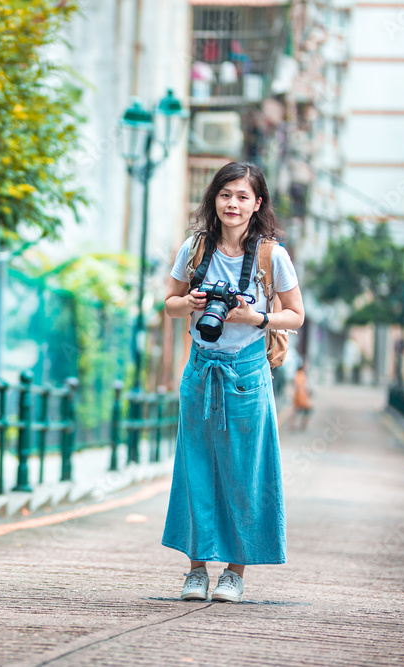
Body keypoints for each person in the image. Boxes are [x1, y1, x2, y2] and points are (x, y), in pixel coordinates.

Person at [162, 161, 305, 603]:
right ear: (214, 198)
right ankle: (196, 570)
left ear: (257, 204)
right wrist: (190, 301)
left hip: (247, 372)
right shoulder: (195, 248)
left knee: (244, 472)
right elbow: (167, 304)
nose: (233, 203)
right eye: (226, 194)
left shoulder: (271, 255)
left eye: (243, 196)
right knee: (197, 470)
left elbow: (296, 315)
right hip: (200, 368)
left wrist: (255, 316)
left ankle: (234, 573)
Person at [290, 361, 313, 431]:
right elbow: (299, 386)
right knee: (305, 411)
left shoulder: (298, 374)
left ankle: (296, 425)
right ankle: (301, 425)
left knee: (297, 412)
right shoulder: (300, 375)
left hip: (299, 397)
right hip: (301, 397)